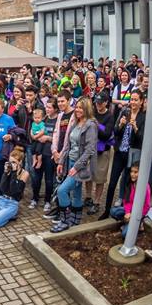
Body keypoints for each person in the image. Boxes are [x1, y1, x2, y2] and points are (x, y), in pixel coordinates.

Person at [51, 96, 98, 232]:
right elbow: (67, 145)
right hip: (70, 160)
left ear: (87, 109)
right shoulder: (75, 123)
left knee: (62, 190)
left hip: (81, 165)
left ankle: (64, 220)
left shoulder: (91, 125)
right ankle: (75, 219)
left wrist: (77, 167)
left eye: (80, 108)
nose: (77, 110)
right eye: (76, 107)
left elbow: (90, 150)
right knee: (76, 193)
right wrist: (61, 162)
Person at [99, 90, 145, 220]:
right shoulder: (125, 112)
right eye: (132, 99)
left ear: (141, 102)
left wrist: (135, 129)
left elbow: (142, 140)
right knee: (112, 182)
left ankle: (126, 211)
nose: (133, 102)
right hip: (120, 153)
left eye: (136, 100)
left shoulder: (144, 117)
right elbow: (116, 132)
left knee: (128, 183)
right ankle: (107, 210)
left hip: (132, 154)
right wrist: (120, 125)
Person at [0, 147, 29, 228]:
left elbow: (14, 191)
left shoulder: (24, 174)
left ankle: (10, 216)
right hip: (1, 199)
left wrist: (14, 173)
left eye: (14, 162)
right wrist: (5, 173)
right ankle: (4, 215)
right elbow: (2, 188)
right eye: (10, 162)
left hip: (12, 203)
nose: (11, 164)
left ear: (20, 162)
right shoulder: (8, 170)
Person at [87, 91, 116, 216]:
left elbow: (107, 134)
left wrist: (97, 125)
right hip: (90, 149)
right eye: (96, 102)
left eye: (100, 103)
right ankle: (88, 197)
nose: (97, 105)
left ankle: (97, 202)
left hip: (102, 151)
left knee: (100, 177)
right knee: (87, 175)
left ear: (106, 103)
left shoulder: (109, 116)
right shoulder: (92, 112)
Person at [109, 162, 150, 237]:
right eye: (131, 171)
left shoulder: (145, 187)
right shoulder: (131, 184)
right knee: (113, 211)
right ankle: (128, 223)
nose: (132, 174)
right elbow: (126, 201)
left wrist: (133, 215)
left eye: (135, 172)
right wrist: (128, 212)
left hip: (138, 214)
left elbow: (146, 206)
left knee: (125, 234)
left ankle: (138, 224)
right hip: (130, 211)